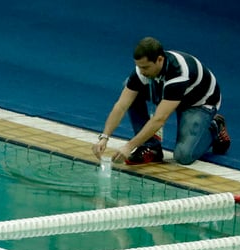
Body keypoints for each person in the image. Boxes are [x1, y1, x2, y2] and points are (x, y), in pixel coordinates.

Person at [92, 37, 231, 165]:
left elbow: (160, 119)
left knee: (183, 156)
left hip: (198, 103)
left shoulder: (178, 74)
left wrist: (129, 146)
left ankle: (215, 127)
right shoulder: (143, 70)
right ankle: (150, 147)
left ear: (159, 60)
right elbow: (121, 105)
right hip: (169, 93)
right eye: (139, 67)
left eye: (145, 67)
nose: (141, 71)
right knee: (130, 89)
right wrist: (104, 137)